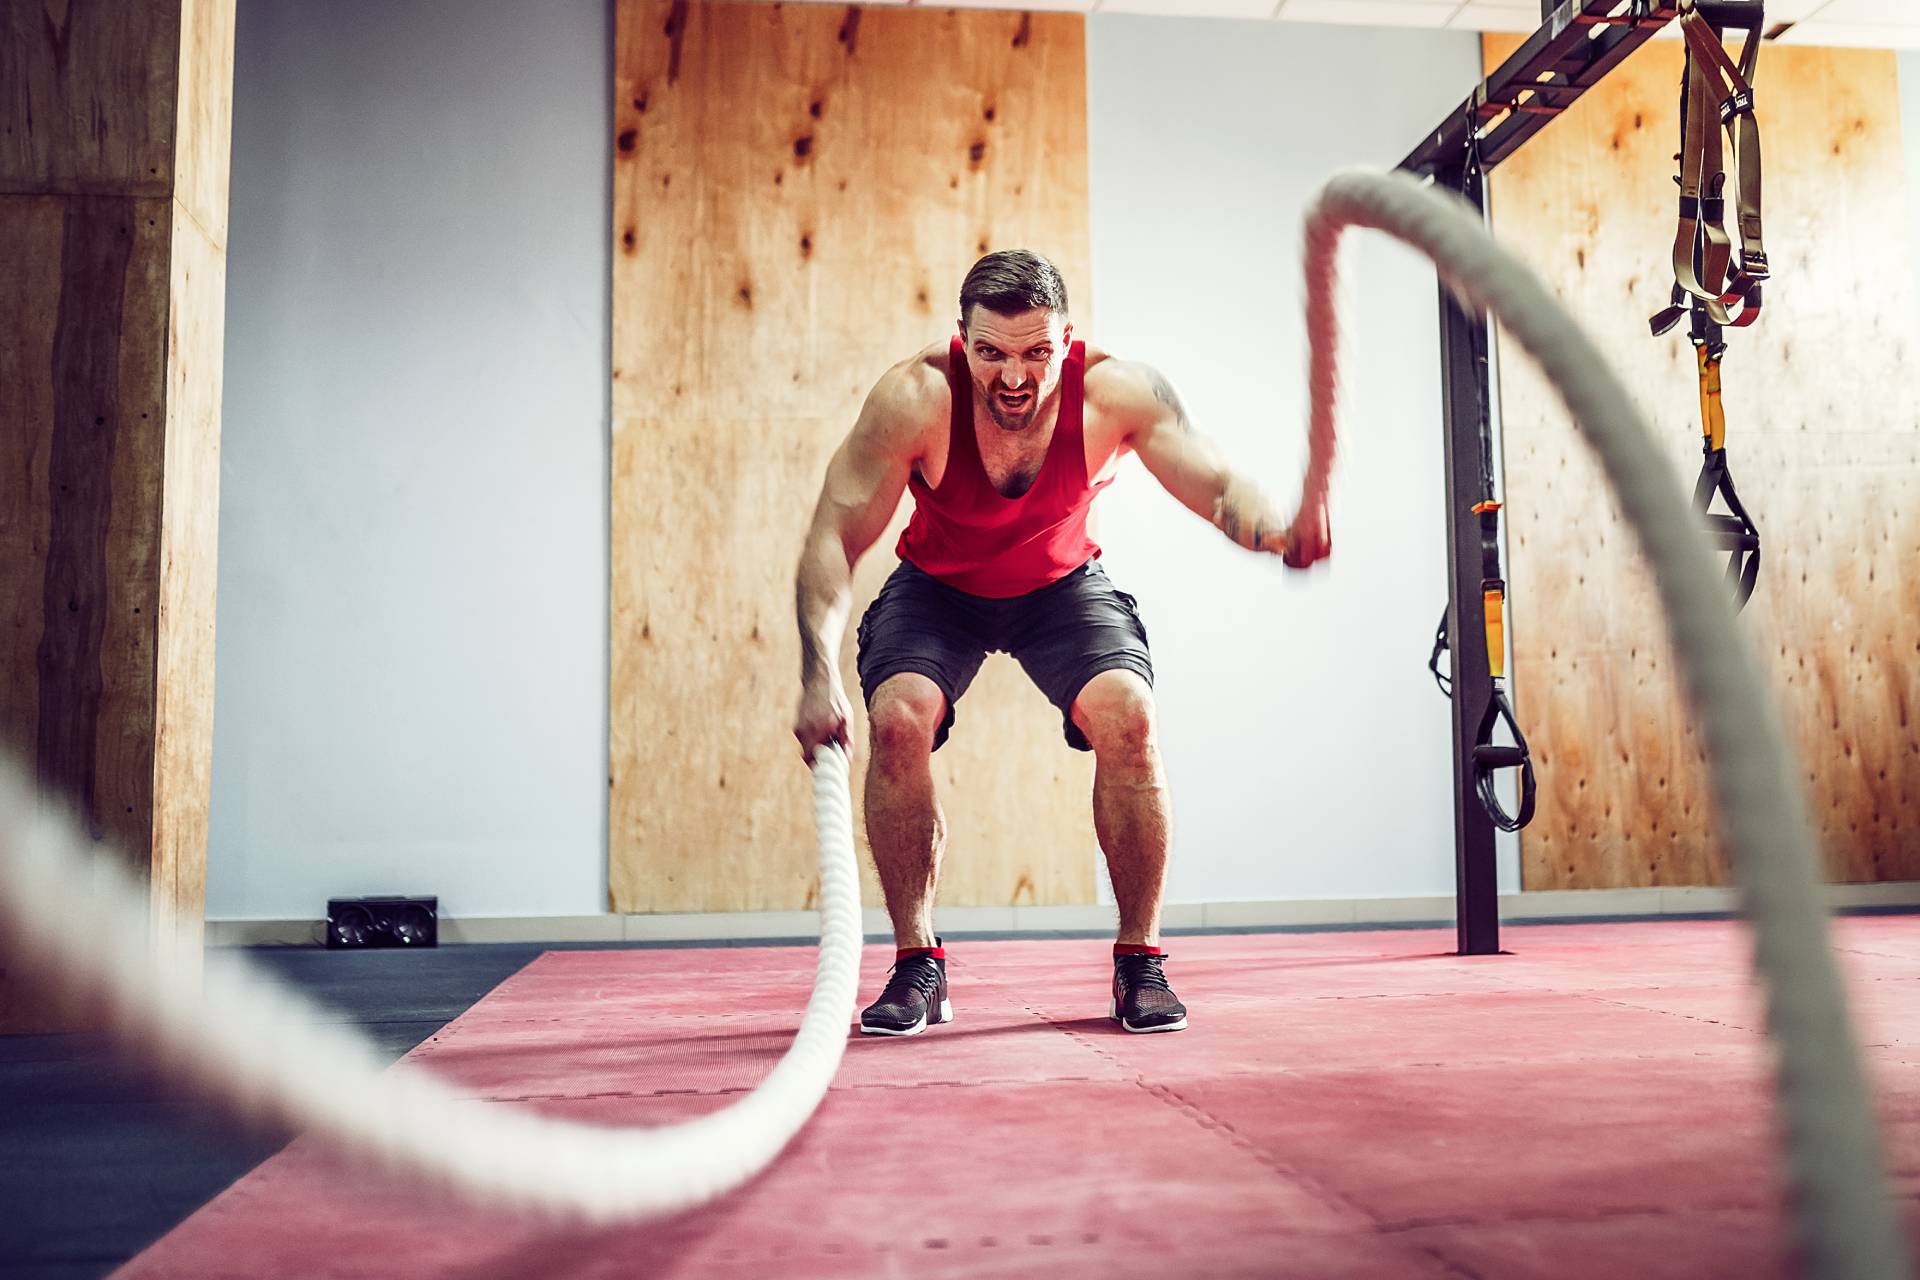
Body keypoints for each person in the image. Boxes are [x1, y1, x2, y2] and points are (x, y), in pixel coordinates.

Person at [792, 249, 1318, 1037]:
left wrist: (1274, 528)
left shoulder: (1115, 394)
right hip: (939, 589)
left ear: (1067, 341)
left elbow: (1214, 483)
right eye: (991, 353)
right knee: (898, 719)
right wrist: (816, 671)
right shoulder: (915, 399)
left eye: (1036, 353)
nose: (1013, 378)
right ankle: (917, 965)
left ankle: (1140, 961)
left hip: (1061, 587)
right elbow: (832, 537)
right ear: (961, 338)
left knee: (1130, 716)